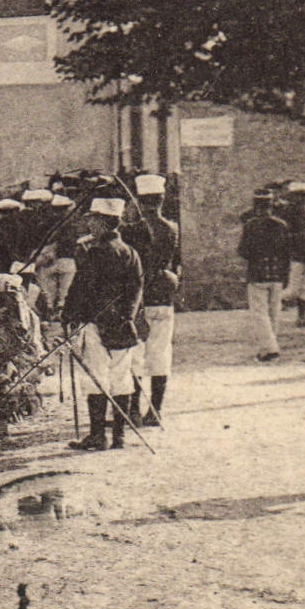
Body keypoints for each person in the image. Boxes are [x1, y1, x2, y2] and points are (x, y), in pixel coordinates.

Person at [62, 197, 144, 450]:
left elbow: (81, 288)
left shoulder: (95, 253)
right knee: (121, 377)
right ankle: (119, 436)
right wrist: (127, 316)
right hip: (122, 324)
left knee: (96, 377)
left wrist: (69, 315)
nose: (90, 225)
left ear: (104, 222)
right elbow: (136, 288)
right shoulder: (130, 252)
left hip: (96, 323)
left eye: (93, 220)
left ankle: (98, 435)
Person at [122, 174, 181, 424]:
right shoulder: (171, 228)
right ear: (161, 199)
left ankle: (133, 410)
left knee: (135, 354)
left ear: (138, 200)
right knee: (161, 353)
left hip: (138, 297)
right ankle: (155, 411)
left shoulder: (130, 231)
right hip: (163, 295)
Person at [237, 188, 292, 362]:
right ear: (271, 206)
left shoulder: (250, 226)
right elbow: (287, 253)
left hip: (257, 274)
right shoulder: (282, 225)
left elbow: (243, 251)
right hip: (277, 273)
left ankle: (269, 348)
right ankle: (267, 347)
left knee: (259, 313)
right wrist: (286, 275)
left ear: (255, 206)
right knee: (274, 311)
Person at [278, 181, 305, 327]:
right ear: (292, 196)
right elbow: (282, 235)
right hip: (294, 254)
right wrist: (302, 237)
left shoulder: (301, 212)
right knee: (292, 290)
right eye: (299, 196)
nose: (303, 199)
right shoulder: (286, 213)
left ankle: (302, 318)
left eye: (304, 196)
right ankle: (270, 307)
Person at [35, 193, 78, 320]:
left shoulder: (45, 223)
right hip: (68, 261)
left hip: (49, 260)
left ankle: (49, 311)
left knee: (49, 291)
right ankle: (59, 312)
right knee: (64, 291)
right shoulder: (71, 225)